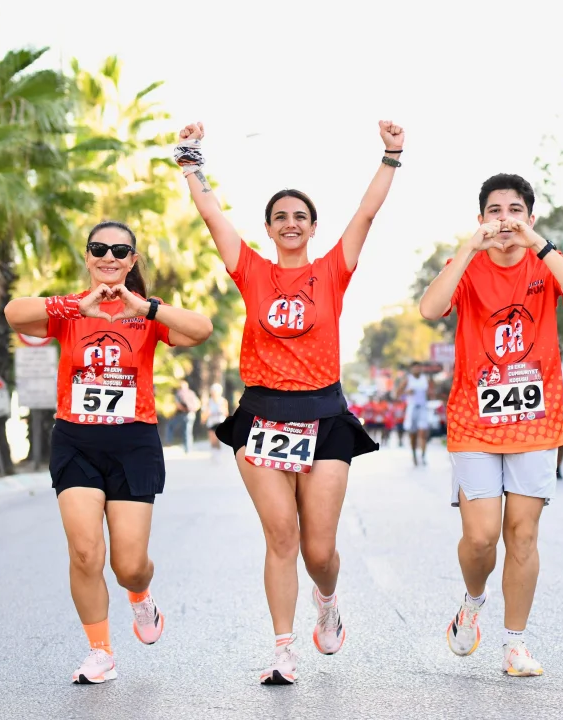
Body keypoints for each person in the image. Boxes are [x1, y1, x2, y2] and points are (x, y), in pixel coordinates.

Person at [176, 119, 401, 685]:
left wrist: (391, 155)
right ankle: (282, 651)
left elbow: (367, 213)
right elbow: (211, 216)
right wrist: (190, 160)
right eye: (281, 217)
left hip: (323, 418)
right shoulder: (252, 270)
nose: (291, 223)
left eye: (301, 216)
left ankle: (326, 599)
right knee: (281, 535)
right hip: (262, 416)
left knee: (318, 549)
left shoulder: (332, 271)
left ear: (313, 226)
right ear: (270, 229)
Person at [3, 220, 213, 685]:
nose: (109, 257)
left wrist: (149, 308)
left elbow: (202, 329)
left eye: (120, 250)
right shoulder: (70, 311)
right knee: (84, 553)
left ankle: (140, 596)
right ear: (88, 256)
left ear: (132, 259)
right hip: (77, 440)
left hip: (133, 442)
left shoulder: (146, 316)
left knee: (129, 565)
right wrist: (78, 305)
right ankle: (100, 652)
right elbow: (15, 313)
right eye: (99, 248)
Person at [418, 173, 563, 677]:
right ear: (481, 219)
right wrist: (466, 249)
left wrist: (539, 244)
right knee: (480, 539)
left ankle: (515, 646)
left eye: (514, 210)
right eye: (494, 211)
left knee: (523, 534)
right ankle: (472, 603)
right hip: (474, 422)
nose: (504, 219)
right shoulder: (468, 266)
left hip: (536, 424)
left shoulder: (545, 261)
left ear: (530, 217)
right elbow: (430, 309)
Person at [397, 362, 432, 466]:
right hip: (412, 409)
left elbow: (431, 393)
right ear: (411, 369)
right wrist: (407, 392)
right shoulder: (408, 379)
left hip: (423, 408)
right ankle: (414, 455)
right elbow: (397, 393)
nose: (417, 369)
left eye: (419, 367)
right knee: (413, 434)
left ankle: (423, 455)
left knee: (423, 432)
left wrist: (430, 394)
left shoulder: (426, 379)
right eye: (415, 368)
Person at [202, 382, 230, 457]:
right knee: (213, 440)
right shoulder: (208, 402)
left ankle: (219, 455)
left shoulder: (223, 401)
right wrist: (207, 414)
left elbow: (226, 413)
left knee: (218, 440)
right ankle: (214, 455)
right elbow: (204, 415)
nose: (214, 393)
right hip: (211, 423)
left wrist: (223, 410)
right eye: (213, 391)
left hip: (220, 422)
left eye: (216, 391)